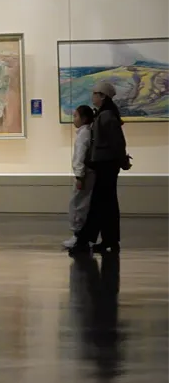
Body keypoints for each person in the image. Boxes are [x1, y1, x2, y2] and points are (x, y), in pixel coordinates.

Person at [72, 81, 128, 256]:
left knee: (99, 204)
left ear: (103, 96)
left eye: (95, 93)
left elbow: (117, 142)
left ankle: (84, 241)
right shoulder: (104, 114)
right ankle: (109, 240)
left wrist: (122, 160)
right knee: (107, 204)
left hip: (107, 165)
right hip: (105, 165)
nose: (93, 96)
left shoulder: (106, 116)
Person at [63, 104, 95, 250]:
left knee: (78, 204)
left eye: (76, 116)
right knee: (82, 204)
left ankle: (78, 236)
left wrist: (79, 175)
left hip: (84, 175)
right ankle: (82, 235)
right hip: (86, 174)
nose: (74, 119)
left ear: (84, 118)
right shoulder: (87, 132)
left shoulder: (84, 134)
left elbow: (80, 156)